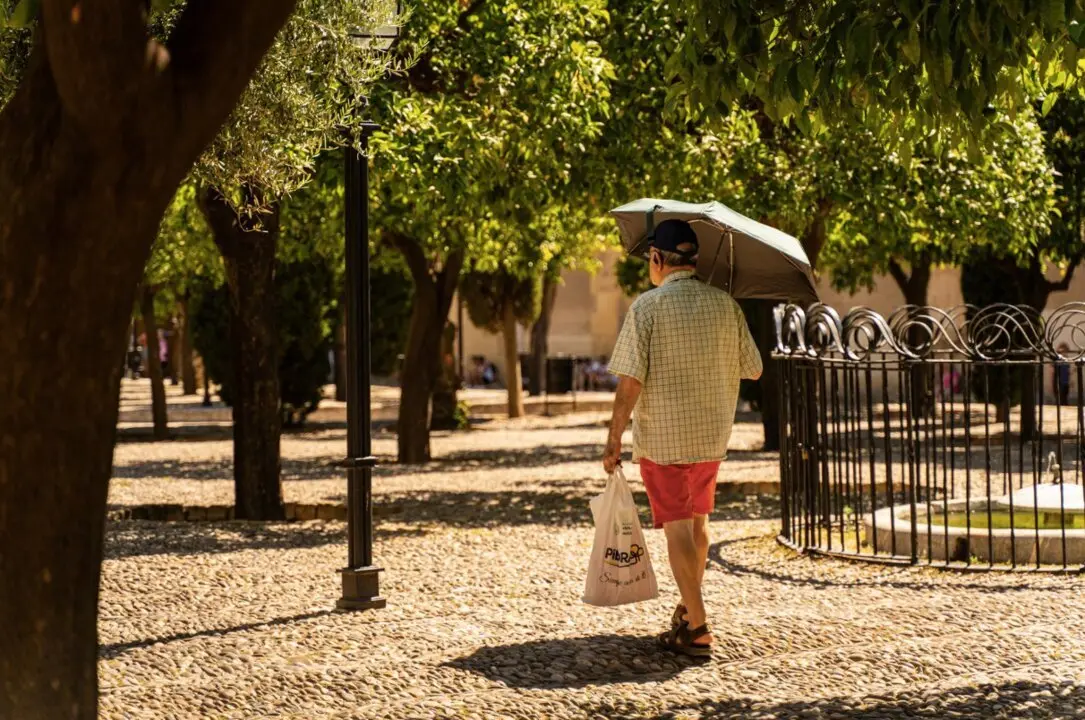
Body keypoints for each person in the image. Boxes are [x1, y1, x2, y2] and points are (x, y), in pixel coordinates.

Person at [603, 219, 762, 657]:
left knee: (677, 529)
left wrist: (614, 438)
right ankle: (688, 612)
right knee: (698, 525)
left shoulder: (647, 308)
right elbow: (754, 369)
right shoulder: (725, 304)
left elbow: (630, 381)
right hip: (711, 436)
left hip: (664, 439)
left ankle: (699, 626)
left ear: (657, 258)